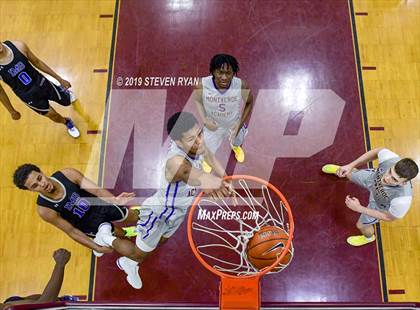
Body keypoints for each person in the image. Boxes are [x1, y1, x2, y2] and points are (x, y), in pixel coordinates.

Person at [93, 112, 233, 289]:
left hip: (178, 213)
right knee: (138, 253)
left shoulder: (197, 143)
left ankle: (129, 249)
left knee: (161, 241)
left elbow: (208, 154)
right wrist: (211, 181)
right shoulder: (175, 162)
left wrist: (224, 178)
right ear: (178, 142)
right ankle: (106, 239)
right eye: (192, 139)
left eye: (200, 133)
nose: (199, 141)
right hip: (160, 213)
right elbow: (190, 174)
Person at [13, 164, 139, 256]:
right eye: (35, 186)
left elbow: (97, 190)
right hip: (87, 224)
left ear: (41, 171)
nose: (42, 184)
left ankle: (140, 220)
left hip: (99, 204)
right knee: (118, 233)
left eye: (39, 178)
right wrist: (96, 247)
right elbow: (71, 231)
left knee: (131, 216)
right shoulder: (45, 210)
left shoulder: (68, 174)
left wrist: (115, 200)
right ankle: (127, 232)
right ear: (30, 190)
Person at [322, 148, 418, 246]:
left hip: (378, 204)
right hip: (372, 179)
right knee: (349, 173)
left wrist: (359, 208)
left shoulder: (402, 200)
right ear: (393, 165)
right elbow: (376, 152)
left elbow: (388, 217)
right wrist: (350, 166)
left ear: (404, 183)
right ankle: (342, 170)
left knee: (361, 225)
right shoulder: (389, 158)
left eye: (394, 179)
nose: (386, 178)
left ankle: (368, 238)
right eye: (389, 171)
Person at [0, 40, 80, 138]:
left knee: (67, 101)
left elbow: (37, 62)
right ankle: (67, 122)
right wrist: (11, 111)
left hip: (42, 83)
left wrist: (60, 79)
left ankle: (64, 92)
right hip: (28, 96)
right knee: (53, 115)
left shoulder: (18, 46)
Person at [194, 54, 253, 172]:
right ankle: (207, 159)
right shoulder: (202, 84)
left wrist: (239, 124)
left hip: (234, 124)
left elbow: (249, 103)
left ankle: (236, 147)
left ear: (234, 73)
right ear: (213, 71)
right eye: (220, 72)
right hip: (213, 125)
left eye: (228, 73)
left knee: (237, 141)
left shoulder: (241, 85)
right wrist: (205, 120)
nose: (224, 77)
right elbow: (197, 101)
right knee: (209, 148)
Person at [0, 249, 73, 310]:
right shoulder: (10, 308)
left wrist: (58, 299)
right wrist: (60, 264)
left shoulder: (8, 303)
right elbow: (46, 304)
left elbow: (40, 301)